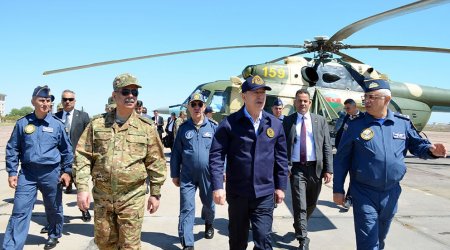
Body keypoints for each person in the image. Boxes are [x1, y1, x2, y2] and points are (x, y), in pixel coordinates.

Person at [333, 79, 447, 250]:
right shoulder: (356, 125)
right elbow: (341, 160)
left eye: (372, 97)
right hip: (364, 192)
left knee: (380, 238)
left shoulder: (402, 123)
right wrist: (338, 189)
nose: (367, 101)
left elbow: (417, 145)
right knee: (368, 244)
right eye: (366, 97)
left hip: (391, 193)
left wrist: (431, 151)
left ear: (386, 99)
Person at [73, 73, 167, 249]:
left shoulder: (146, 128)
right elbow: (82, 155)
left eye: (134, 92)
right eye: (126, 91)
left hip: (132, 197)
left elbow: (156, 162)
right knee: (104, 244)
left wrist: (155, 193)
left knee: (130, 246)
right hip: (103, 198)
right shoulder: (97, 124)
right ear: (115, 95)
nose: (131, 96)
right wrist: (82, 188)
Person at [209, 75, 288, 250]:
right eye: (255, 93)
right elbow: (216, 155)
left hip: (264, 193)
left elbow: (281, 158)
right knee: (237, 241)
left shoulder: (274, 124)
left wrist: (281, 186)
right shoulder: (229, 124)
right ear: (244, 96)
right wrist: (217, 186)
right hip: (238, 193)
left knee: (264, 240)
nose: (260, 97)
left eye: (263, 93)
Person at [3, 85, 73, 250]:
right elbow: (13, 148)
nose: (45, 104)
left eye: (48, 101)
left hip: (51, 173)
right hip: (28, 174)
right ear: (33, 101)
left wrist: (67, 171)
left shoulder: (57, 125)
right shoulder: (22, 123)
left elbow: (67, 150)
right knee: (20, 210)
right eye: (41, 100)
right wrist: (12, 171)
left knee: (54, 209)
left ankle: (54, 234)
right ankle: (12, 246)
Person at [282, 89, 333, 250]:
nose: (302, 103)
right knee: (300, 204)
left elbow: (326, 146)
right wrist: (285, 166)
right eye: (299, 100)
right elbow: (282, 147)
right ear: (295, 102)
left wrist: (328, 169)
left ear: (309, 103)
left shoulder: (320, 120)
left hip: (315, 169)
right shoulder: (288, 121)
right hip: (296, 169)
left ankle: (299, 224)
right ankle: (303, 238)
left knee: (311, 202)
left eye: (305, 101)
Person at [170, 92, 218, 249]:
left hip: (208, 175)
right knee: (186, 208)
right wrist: (174, 174)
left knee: (209, 205)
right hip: (188, 176)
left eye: (199, 104)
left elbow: (220, 153)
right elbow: (176, 153)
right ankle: (187, 243)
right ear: (189, 107)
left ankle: (209, 223)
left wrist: (222, 172)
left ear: (204, 107)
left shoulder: (213, 127)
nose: (196, 107)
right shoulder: (184, 129)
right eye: (193, 104)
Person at [333, 98, 360, 210]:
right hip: (344, 153)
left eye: (348, 108)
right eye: (345, 108)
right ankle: (340, 194)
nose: (346, 110)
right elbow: (340, 133)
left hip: (356, 154)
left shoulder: (363, 118)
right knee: (340, 175)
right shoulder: (346, 118)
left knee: (354, 177)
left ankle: (349, 199)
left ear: (354, 107)